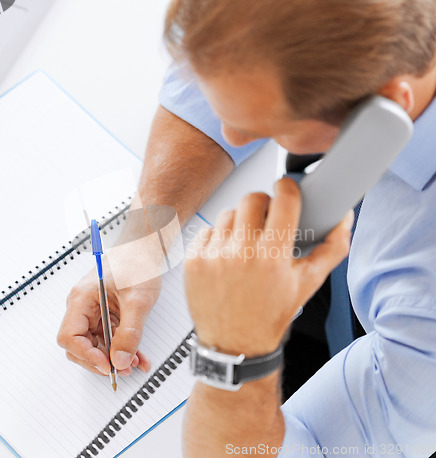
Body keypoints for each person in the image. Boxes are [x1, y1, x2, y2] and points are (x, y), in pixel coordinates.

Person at [57, 0, 436, 455]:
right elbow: (228, 62)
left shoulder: (424, 300)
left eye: (266, 123)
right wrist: (142, 244)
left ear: (386, 112)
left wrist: (233, 352)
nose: (232, 134)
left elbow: (311, 443)